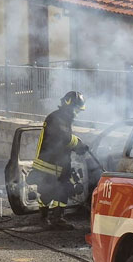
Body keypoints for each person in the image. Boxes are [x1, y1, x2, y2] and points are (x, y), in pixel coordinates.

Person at [27, 90, 89, 230]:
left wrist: (77, 145)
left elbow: (65, 140)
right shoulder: (56, 118)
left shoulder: (63, 118)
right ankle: (45, 218)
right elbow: (64, 138)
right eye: (76, 109)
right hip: (49, 163)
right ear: (68, 104)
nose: (77, 113)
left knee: (64, 189)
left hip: (60, 162)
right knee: (48, 191)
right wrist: (79, 145)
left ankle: (57, 218)